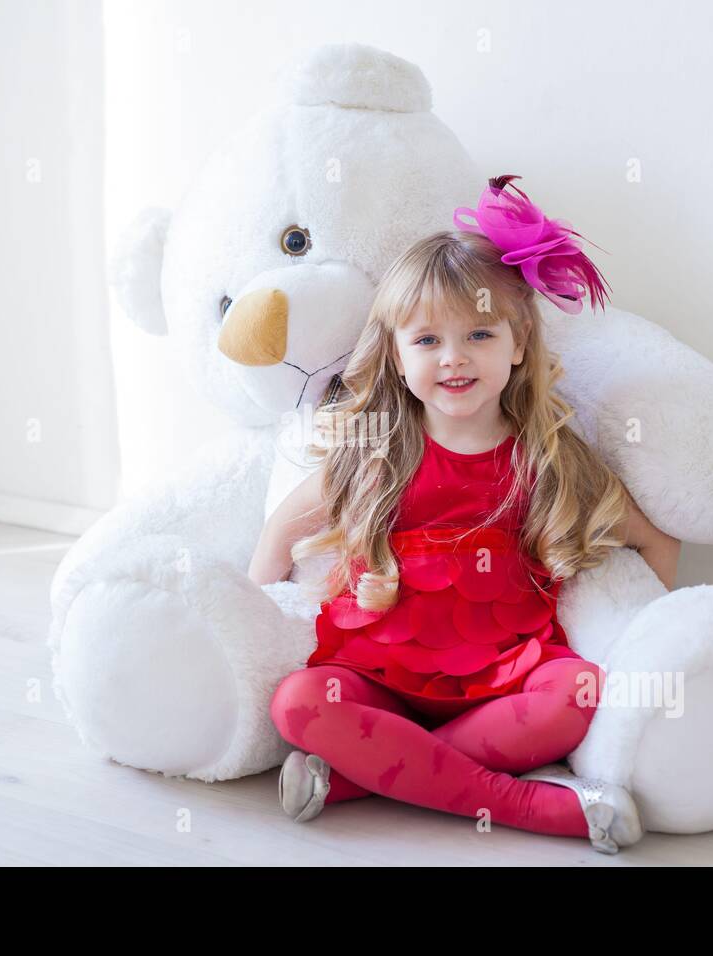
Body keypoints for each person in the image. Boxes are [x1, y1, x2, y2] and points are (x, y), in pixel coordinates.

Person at [249, 176, 681, 853]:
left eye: (478, 333)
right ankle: (532, 807)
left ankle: (363, 778)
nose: (453, 357)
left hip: (504, 683)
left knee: (578, 691)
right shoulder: (376, 453)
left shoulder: (549, 457)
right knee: (299, 704)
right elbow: (284, 529)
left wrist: (655, 629)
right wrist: (257, 613)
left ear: (516, 343)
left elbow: (655, 540)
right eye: (427, 341)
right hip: (376, 680)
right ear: (395, 354)